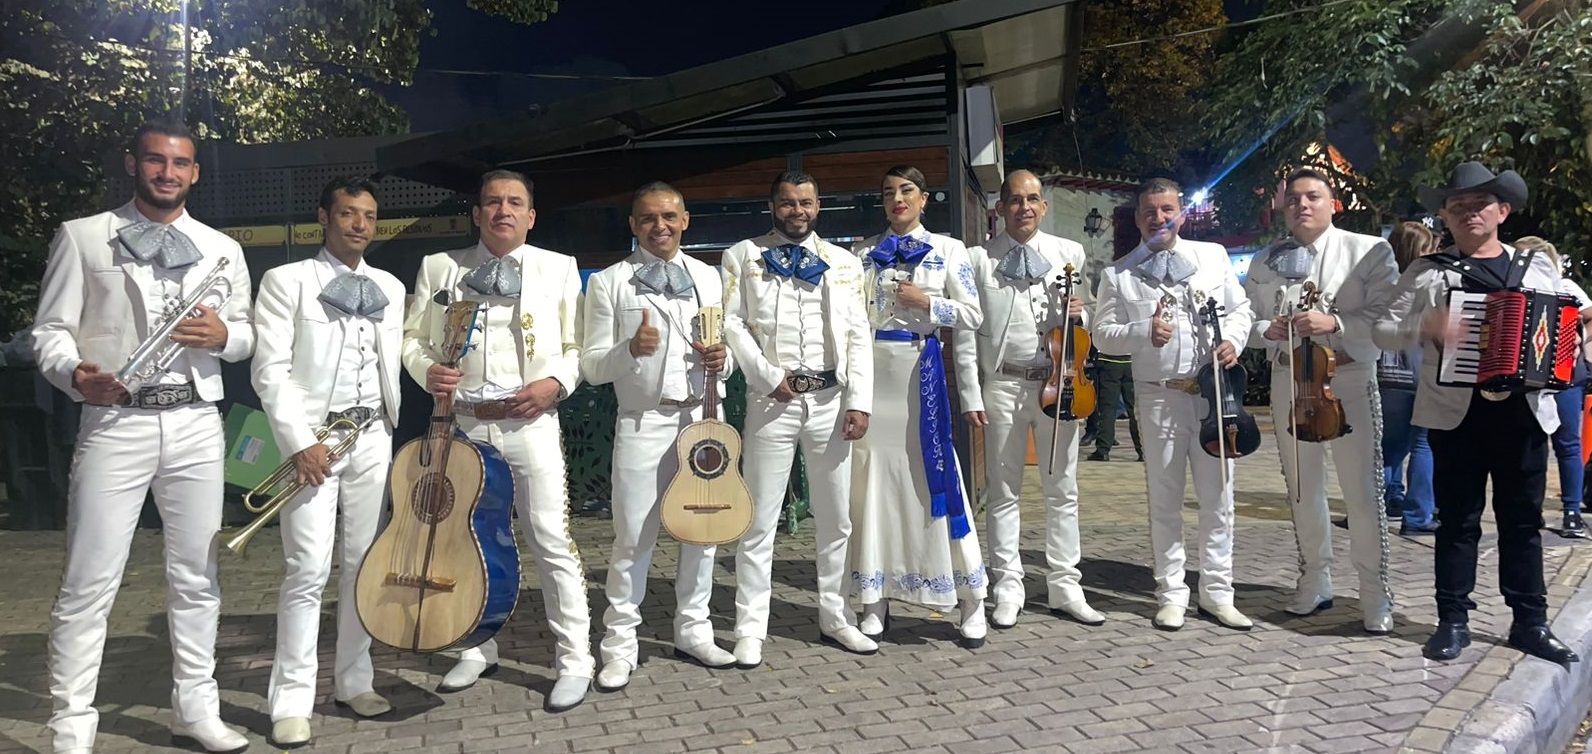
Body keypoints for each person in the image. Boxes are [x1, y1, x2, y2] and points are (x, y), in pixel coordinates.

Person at [32, 118, 254, 753]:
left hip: (195, 423)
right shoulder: (83, 238)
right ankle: (71, 726)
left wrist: (226, 338)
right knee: (89, 578)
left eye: (180, 163)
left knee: (198, 575)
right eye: (155, 161)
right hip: (115, 421)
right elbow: (49, 331)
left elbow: (246, 333)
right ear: (134, 164)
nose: (167, 173)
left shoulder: (221, 248)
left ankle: (196, 708)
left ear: (194, 173)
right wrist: (73, 373)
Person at [401, 168, 595, 709]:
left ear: (531, 216)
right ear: (477, 213)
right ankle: (475, 646)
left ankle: (575, 658)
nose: (502, 210)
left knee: (550, 540)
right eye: (492, 202)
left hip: (531, 422)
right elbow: (413, 339)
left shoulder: (559, 268)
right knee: (466, 540)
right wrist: (426, 372)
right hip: (464, 423)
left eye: (514, 203)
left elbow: (578, 345)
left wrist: (555, 384)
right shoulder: (440, 267)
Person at [1374, 162, 1579, 665]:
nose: (1469, 214)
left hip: (1525, 412)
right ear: (1444, 216)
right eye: (1458, 207)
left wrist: (1562, 352)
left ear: (1502, 211)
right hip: (1455, 413)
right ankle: (1452, 620)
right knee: (1458, 520)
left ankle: (1530, 622)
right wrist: (1428, 326)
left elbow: (1576, 312)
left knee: (1522, 521)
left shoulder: (1537, 268)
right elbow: (1381, 329)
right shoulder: (1428, 272)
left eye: (1479, 205)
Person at [250, 177, 406, 745]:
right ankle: (290, 699)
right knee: (307, 568)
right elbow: (269, 370)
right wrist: (297, 441)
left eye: (368, 215)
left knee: (363, 564)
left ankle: (353, 679)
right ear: (324, 217)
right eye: (347, 213)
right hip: (314, 440)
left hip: (372, 437)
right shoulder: (285, 281)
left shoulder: (390, 285)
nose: (359, 224)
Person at [580, 182, 738, 690]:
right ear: (633, 225)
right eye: (648, 218)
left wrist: (724, 360)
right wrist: (629, 348)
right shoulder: (609, 283)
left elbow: (725, 349)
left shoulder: (708, 277)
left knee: (705, 530)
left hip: (701, 419)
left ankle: (693, 629)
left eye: (669, 216)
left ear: (685, 220)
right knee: (633, 538)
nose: (660, 226)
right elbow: (591, 366)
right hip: (643, 422)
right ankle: (620, 645)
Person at [721, 171, 878, 667]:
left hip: (830, 398)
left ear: (818, 206)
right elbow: (731, 322)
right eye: (787, 203)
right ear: (773, 206)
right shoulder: (742, 256)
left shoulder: (845, 262)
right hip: (773, 402)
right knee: (759, 518)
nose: (797, 211)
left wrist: (860, 401)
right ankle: (751, 626)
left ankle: (836, 616)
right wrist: (767, 376)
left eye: (805, 203)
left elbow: (858, 334)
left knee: (836, 518)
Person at [1093, 178, 1254, 632]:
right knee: (1164, 500)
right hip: (1158, 394)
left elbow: (1240, 310)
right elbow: (1103, 335)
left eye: (1167, 210)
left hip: (1213, 395)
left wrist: (1234, 341)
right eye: (1149, 211)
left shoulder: (1212, 257)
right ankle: (1171, 594)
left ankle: (1219, 593)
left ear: (1181, 212)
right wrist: (1144, 330)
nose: (1159, 218)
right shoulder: (1118, 274)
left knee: (1218, 497)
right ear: (1138, 217)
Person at [1242, 168, 1399, 634]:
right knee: (1300, 488)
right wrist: (1261, 331)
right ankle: (1315, 577)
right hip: (1289, 378)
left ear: (1334, 204)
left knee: (1362, 492)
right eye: (1293, 199)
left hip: (1347, 375)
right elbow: (1243, 317)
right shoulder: (1265, 260)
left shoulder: (1368, 250)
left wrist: (1337, 324)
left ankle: (1375, 591)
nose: (1302, 205)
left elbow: (1390, 315)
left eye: (1313, 197)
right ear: (1281, 207)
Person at [952, 169, 1104, 629]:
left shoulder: (1068, 253)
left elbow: (1090, 319)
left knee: (1063, 488)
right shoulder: (979, 259)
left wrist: (1083, 313)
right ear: (1000, 208)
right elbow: (964, 331)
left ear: (1043, 205)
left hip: (1060, 382)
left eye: (1032, 199)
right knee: (1003, 492)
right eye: (1015, 200)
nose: (1024, 208)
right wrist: (970, 391)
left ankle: (1065, 585)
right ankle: (1008, 586)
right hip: (1001, 384)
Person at [849, 165, 988, 648]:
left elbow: (974, 314)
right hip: (872, 375)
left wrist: (928, 302)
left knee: (934, 476)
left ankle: (970, 598)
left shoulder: (952, 251)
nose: (897, 200)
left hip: (920, 371)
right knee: (873, 483)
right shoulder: (862, 253)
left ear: (924, 198)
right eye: (888, 193)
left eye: (906, 191)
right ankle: (874, 598)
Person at [1380, 221, 1438, 536]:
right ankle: (1417, 516)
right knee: (1422, 444)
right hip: (1420, 370)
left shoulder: (1383, 281)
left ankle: (1379, 505)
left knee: (1385, 447)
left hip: (1386, 375)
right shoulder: (1426, 281)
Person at [1089, 204, 1148, 462]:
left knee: (1108, 407)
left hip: (1113, 358)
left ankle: (1103, 449)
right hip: (1134, 358)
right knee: (1136, 409)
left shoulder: (1116, 269)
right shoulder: (1139, 267)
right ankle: (1142, 449)